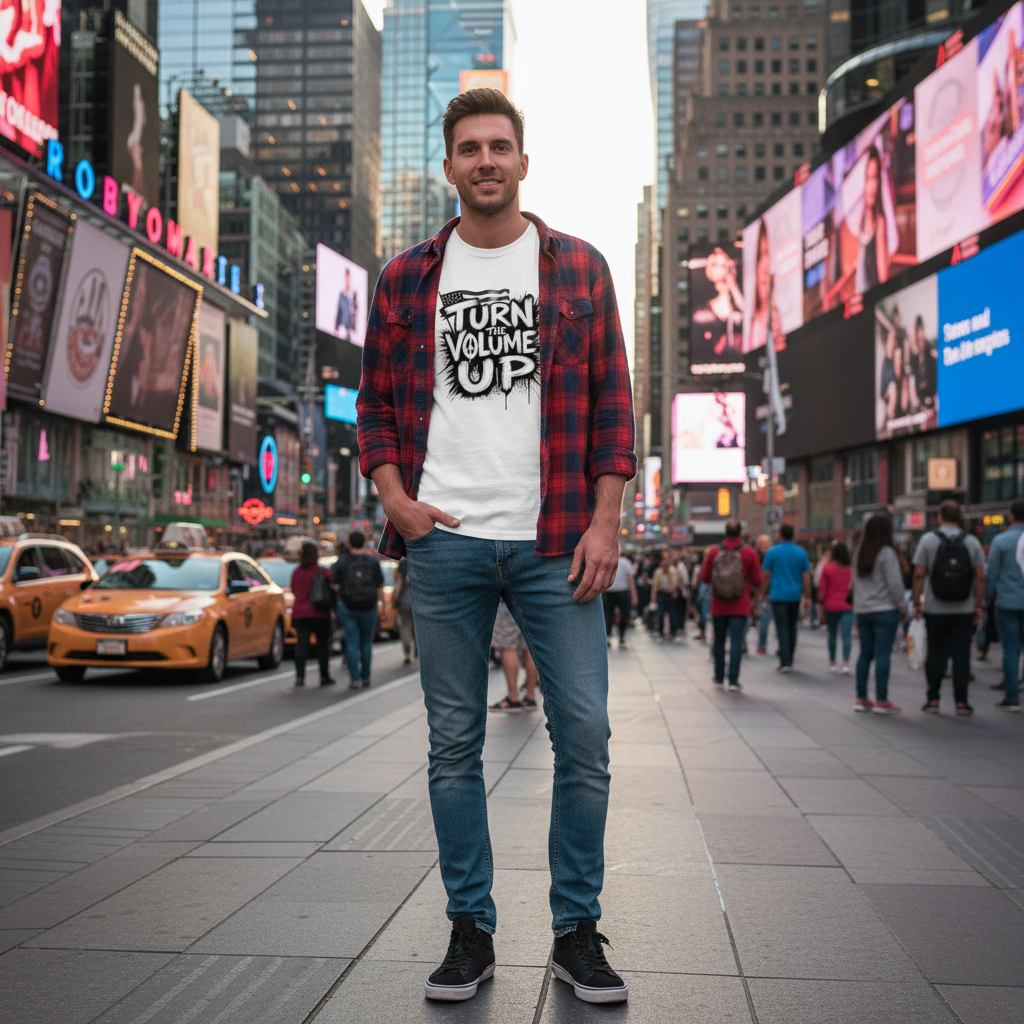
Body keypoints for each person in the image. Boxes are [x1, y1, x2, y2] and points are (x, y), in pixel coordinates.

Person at [357, 88, 634, 1004]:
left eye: (499, 147)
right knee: (452, 744)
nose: (485, 161)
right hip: (446, 542)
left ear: (523, 161)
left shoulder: (581, 269)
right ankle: (470, 929)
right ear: (450, 167)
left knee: (585, 737)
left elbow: (611, 408)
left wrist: (606, 520)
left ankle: (576, 931)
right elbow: (376, 410)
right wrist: (396, 499)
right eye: (469, 148)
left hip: (556, 541)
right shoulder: (404, 279)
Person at [911, 499, 986, 715]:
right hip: (963, 608)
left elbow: (918, 574)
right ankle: (961, 702)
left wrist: (917, 603)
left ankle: (933, 699)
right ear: (961, 518)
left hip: (935, 607)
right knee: (962, 654)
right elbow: (980, 577)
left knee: (935, 652)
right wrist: (978, 605)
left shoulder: (927, 540)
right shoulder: (972, 542)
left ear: (939, 517)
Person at [851, 516, 906, 713]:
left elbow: (854, 583)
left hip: (863, 610)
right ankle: (881, 700)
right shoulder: (887, 553)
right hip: (884, 609)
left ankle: (861, 698)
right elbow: (895, 583)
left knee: (865, 653)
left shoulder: (859, 552)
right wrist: (902, 604)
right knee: (883, 653)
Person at [699, 520, 762, 690]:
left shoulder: (713, 551)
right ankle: (733, 680)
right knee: (736, 641)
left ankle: (719, 676)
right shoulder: (748, 552)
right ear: (740, 533)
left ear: (725, 532)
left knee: (719, 641)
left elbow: (704, 577)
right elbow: (757, 580)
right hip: (740, 605)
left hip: (718, 604)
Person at [332, 530, 384, 690]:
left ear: (349, 544)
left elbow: (335, 585)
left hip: (347, 606)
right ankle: (366, 676)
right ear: (364, 542)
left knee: (352, 641)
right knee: (366, 641)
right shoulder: (372, 562)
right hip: (369, 605)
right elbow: (379, 585)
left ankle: (354, 679)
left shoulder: (341, 562)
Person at [985, 500, 1024, 710]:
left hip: (1008, 602)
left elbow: (991, 574)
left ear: (1011, 517)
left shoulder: (1001, 541)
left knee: (1010, 649)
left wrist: (985, 600)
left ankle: (1012, 695)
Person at [759, 523, 811, 672]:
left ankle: (785, 660)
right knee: (792, 626)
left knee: (781, 626)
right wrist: (808, 596)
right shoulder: (801, 553)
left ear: (780, 535)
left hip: (778, 595)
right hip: (795, 595)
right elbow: (806, 576)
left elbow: (766, 575)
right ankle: (790, 657)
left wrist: (763, 592)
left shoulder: (772, 552)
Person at [289, 541, 335, 688]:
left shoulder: (296, 572)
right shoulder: (322, 571)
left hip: (300, 613)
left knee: (301, 645)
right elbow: (333, 586)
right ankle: (324, 675)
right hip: (319, 613)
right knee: (322, 645)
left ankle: (300, 677)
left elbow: (294, 591)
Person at [488, 599, 539, 711]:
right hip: (533, 600)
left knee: (508, 647)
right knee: (530, 647)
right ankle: (530, 697)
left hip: (508, 601)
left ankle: (513, 698)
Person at [818, 541, 853, 674]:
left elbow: (822, 589)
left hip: (831, 605)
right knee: (846, 635)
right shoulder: (850, 569)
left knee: (832, 634)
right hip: (847, 605)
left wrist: (820, 603)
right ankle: (846, 663)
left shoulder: (827, 567)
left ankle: (832, 662)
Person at [602, 550, 637, 648]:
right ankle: (622, 636)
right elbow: (630, 578)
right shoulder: (626, 562)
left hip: (608, 591)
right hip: (622, 592)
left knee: (608, 615)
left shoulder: (607, 560)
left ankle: (608, 636)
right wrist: (634, 595)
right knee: (624, 614)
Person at [651, 550, 682, 641]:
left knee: (672, 613)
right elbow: (655, 585)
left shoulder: (672, 571)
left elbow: (675, 584)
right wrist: (653, 597)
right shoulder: (658, 572)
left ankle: (673, 631)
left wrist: (672, 591)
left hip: (670, 595)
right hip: (661, 594)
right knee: (660, 614)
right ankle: (660, 631)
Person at [392, 555, 417, 665]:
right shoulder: (420, 558)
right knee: (417, 626)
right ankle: (417, 649)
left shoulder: (403, 564)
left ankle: (407, 651)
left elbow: (398, 583)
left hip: (404, 601)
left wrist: (395, 597)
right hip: (419, 601)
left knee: (405, 626)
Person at [754, 533, 772, 654]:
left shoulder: (756, 557)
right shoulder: (773, 556)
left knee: (764, 621)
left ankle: (762, 645)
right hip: (772, 592)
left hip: (763, 592)